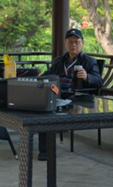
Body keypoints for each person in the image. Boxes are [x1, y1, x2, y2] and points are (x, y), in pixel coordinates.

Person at [38, 28, 103, 160]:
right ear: (65, 44)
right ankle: (45, 151)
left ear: (82, 43)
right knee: (45, 109)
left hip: (76, 96)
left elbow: (99, 82)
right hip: (57, 94)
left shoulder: (89, 61)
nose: (74, 45)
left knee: (49, 109)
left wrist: (87, 77)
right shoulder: (58, 61)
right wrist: (38, 77)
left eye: (77, 42)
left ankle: (46, 150)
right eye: (70, 42)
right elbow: (47, 75)